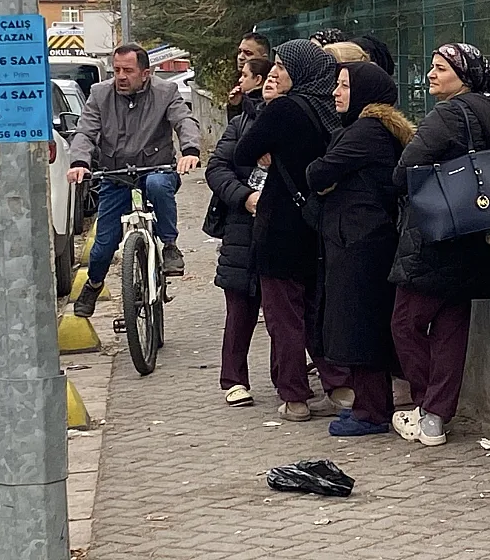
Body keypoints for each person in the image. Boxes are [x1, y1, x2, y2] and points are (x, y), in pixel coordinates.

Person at [389, 42, 490, 447]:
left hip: (436, 232)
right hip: (476, 227)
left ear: (463, 76)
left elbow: (406, 168)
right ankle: (436, 419)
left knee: (405, 323)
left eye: (441, 68)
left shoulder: (447, 114)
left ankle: (426, 406)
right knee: (451, 327)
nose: (431, 74)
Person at [233, 39, 351, 422]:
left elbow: (242, 151)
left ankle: (295, 396)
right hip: (316, 225)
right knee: (317, 311)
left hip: (279, 225)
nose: (274, 72)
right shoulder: (328, 110)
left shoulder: (284, 109)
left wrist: (268, 150)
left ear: (300, 71)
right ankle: (339, 386)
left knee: (283, 316)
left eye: (282, 66)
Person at [307, 63, 413, 436]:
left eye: (344, 86)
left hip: (361, 241)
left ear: (365, 93)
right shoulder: (366, 129)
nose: (336, 92)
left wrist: (326, 179)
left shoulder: (366, 131)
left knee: (360, 326)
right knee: (355, 323)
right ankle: (369, 406)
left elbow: (317, 172)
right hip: (356, 238)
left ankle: (372, 411)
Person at [66, 44, 202, 318]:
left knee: (157, 186)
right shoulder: (99, 94)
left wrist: (190, 151)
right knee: (103, 247)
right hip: (115, 176)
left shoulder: (165, 92)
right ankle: (94, 284)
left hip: (156, 169)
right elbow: (85, 132)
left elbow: (184, 121)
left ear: (146, 73)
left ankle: (170, 246)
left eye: (128, 70)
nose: (121, 76)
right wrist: (79, 162)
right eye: (116, 70)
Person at [206, 61, 270, 408]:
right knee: (239, 306)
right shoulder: (239, 123)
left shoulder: (298, 118)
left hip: (283, 225)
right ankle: (233, 379)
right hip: (241, 226)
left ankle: (293, 379)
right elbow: (217, 168)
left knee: (287, 310)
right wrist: (244, 197)